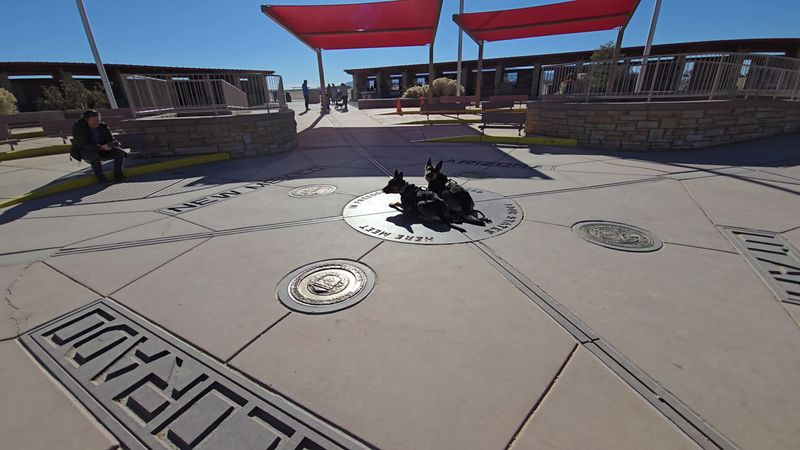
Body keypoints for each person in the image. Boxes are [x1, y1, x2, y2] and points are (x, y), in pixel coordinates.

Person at [70, 109, 126, 183]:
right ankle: (101, 177)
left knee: (119, 152)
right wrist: (100, 147)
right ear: (86, 119)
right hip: (85, 150)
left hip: (102, 149)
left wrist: (113, 144)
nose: (96, 123)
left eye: (98, 120)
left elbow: (110, 139)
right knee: (94, 155)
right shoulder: (79, 128)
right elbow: (82, 144)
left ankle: (118, 174)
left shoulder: (103, 126)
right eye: (93, 121)